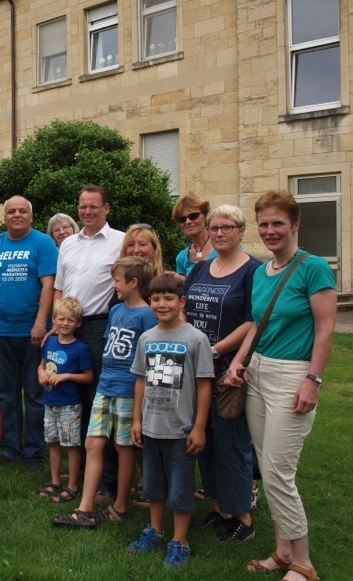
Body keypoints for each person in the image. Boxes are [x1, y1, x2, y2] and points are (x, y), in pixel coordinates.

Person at [224, 190, 336, 581]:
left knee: (277, 471)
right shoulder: (261, 272)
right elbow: (259, 323)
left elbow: (325, 329)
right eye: (265, 224)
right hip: (258, 370)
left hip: (294, 374)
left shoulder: (314, 267)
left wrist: (312, 381)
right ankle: (283, 550)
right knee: (266, 465)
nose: (270, 231)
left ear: (295, 224)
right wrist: (239, 362)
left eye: (278, 223)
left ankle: (303, 564)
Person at [53, 256, 157, 528]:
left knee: (123, 447)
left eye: (117, 281)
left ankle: (120, 506)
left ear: (133, 283)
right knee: (93, 443)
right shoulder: (116, 310)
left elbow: (147, 357)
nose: (114, 286)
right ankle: (85, 508)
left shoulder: (147, 315)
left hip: (127, 388)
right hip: (105, 385)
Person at [184, 204, 261, 542]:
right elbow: (184, 307)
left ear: (242, 231)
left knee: (232, 441)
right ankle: (220, 508)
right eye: (214, 228)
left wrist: (215, 350)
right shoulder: (200, 270)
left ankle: (241, 516)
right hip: (198, 367)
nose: (219, 233)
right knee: (206, 439)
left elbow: (252, 320)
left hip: (230, 368)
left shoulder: (253, 271)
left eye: (227, 227)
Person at [127, 274, 214, 570]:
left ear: (181, 302)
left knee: (180, 488)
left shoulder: (196, 339)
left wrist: (199, 426)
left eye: (168, 298)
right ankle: (156, 531)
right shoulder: (147, 338)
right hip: (151, 427)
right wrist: (137, 420)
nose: (161, 304)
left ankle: (179, 541)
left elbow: (204, 385)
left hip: (181, 430)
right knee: (153, 485)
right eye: (156, 299)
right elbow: (140, 380)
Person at [0, 195, 58, 470]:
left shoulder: (42, 243)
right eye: (11, 211)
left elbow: (49, 285)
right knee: (6, 393)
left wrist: (41, 323)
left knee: (34, 394)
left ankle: (33, 451)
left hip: (32, 332)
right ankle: (11, 449)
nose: (17, 215)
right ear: (4, 216)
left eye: (22, 211)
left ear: (31, 217)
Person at [54, 185, 126, 499]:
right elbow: (59, 287)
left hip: (98, 326)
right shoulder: (68, 243)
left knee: (100, 401)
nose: (87, 212)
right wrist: (54, 326)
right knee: (74, 401)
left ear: (106, 208)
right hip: (67, 329)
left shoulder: (120, 241)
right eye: (83, 206)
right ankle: (81, 469)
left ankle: (107, 480)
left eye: (94, 206)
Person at [37, 296, 93, 503]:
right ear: (54, 320)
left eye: (70, 320)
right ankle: (54, 481)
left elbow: (88, 376)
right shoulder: (50, 341)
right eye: (61, 319)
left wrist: (67, 376)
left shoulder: (81, 349)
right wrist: (41, 373)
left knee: (71, 444)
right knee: (53, 442)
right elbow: (41, 364)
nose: (65, 324)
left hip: (69, 404)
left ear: (78, 323)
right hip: (50, 401)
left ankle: (72, 485)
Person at [172, 193, 216, 279]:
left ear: (206, 216)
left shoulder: (224, 247)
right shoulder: (182, 257)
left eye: (193, 216)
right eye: (182, 219)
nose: (187, 222)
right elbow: (182, 289)